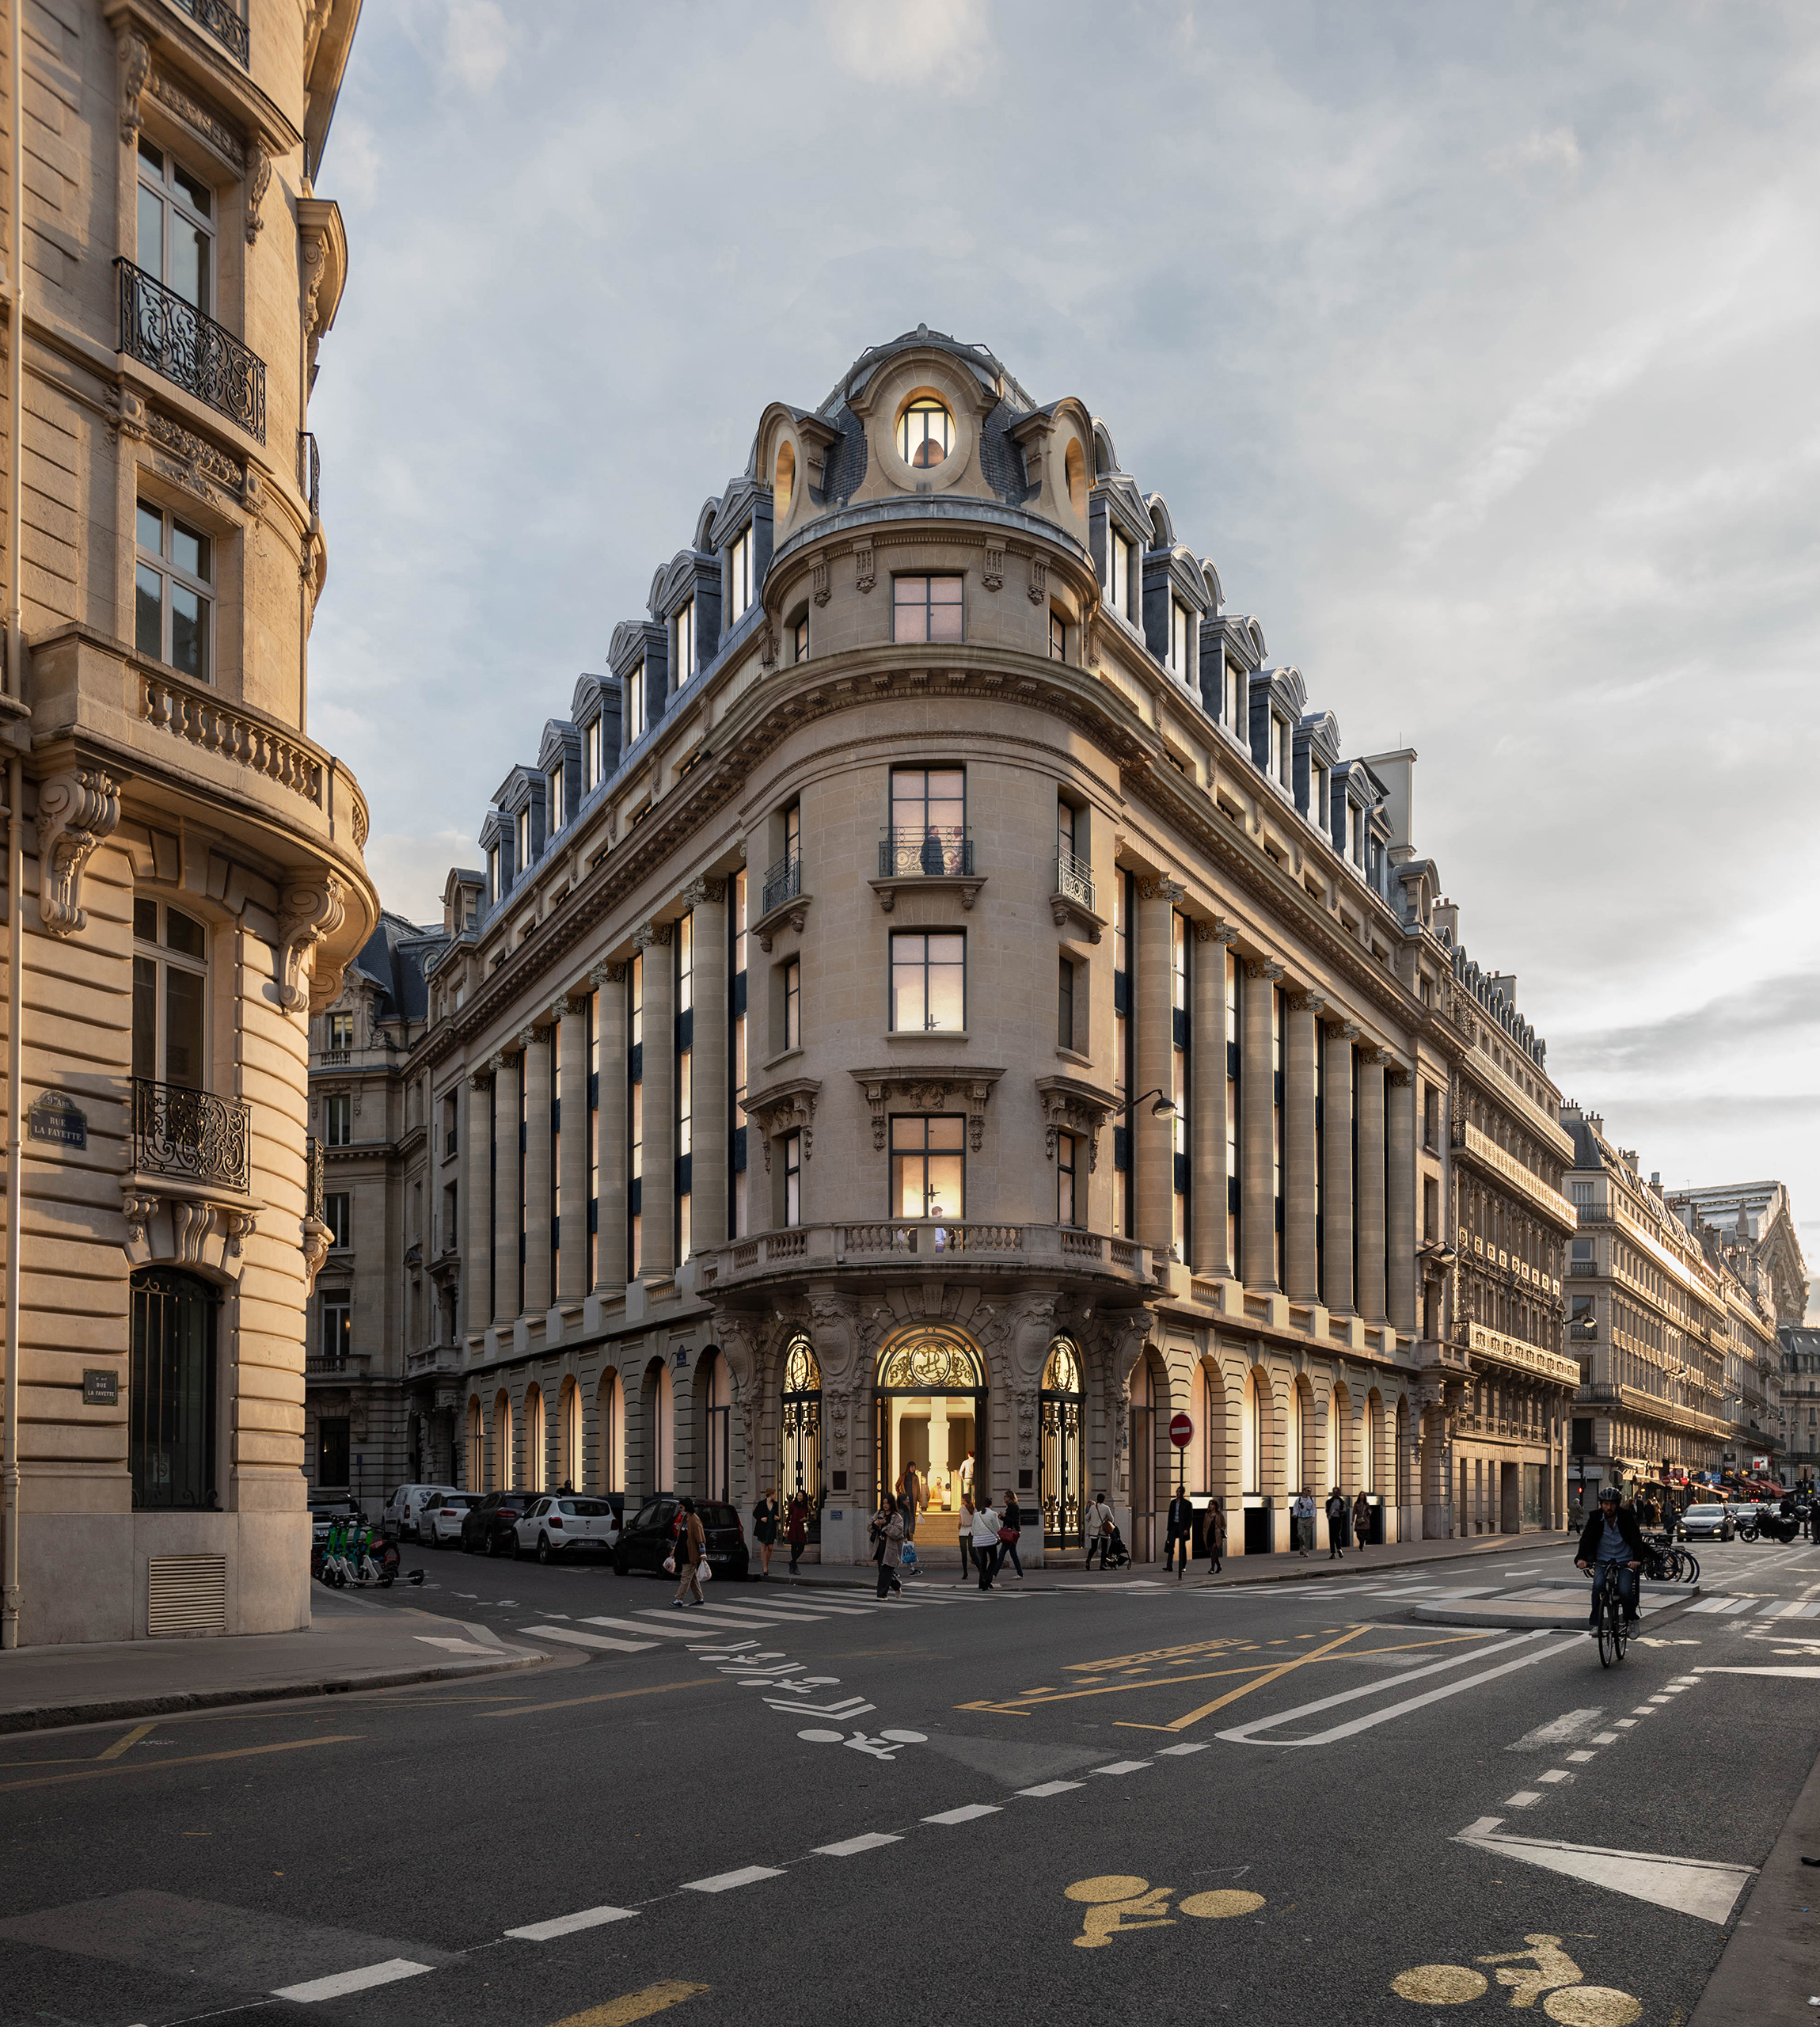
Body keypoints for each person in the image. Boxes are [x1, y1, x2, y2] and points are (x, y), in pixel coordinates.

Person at [1575, 1485, 1643, 1633]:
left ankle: (1631, 1619)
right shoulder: (1595, 1517)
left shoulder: (1626, 1517)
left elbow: (1636, 1538)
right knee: (1598, 1586)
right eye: (1606, 1504)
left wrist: (1636, 1559)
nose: (1609, 1507)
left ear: (1617, 1505)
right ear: (1601, 1505)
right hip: (1603, 1559)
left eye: (1612, 1504)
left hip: (1624, 1559)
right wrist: (1581, 1558)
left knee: (1625, 1590)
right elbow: (1586, 1539)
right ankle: (1597, 1623)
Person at [671, 1497, 707, 1609]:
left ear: (687, 1507)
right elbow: (680, 1538)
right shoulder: (685, 1519)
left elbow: (700, 1538)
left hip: (691, 1554)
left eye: (681, 1507)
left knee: (685, 1577)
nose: (680, 1510)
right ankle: (699, 1598)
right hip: (683, 1553)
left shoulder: (694, 1520)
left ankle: (679, 1599)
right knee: (692, 1578)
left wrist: (702, 1553)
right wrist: (675, 1549)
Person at [871, 1500, 905, 1599]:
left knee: (885, 1571)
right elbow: (869, 1527)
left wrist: (886, 1526)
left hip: (891, 1547)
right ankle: (896, 1585)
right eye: (884, 1503)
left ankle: (882, 1595)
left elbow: (897, 1533)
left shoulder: (897, 1517)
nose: (885, 1505)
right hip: (880, 1546)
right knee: (883, 1571)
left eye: (887, 1503)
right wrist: (876, 1523)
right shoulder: (879, 1514)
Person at [971, 1494, 1001, 1590]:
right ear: (990, 1505)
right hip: (990, 1540)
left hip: (979, 1541)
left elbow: (973, 1528)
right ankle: (987, 1578)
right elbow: (997, 1528)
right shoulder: (993, 1514)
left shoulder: (976, 1515)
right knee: (994, 1560)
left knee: (983, 1563)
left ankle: (982, 1583)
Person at [1165, 1485, 1195, 1579]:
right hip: (1174, 1525)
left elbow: (1190, 1518)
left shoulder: (1187, 1504)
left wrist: (1186, 1528)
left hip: (1182, 1527)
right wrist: (1169, 1529)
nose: (1177, 1493)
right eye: (1177, 1492)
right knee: (1171, 1545)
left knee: (1182, 1546)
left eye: (1179, 1492)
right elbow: (1170, 1516)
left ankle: (1183, 1566)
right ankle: (1169, 1566)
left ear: (1183, 1493)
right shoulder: (1173, 1503)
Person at [1084, 1491, 1115, 1570]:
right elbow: (1112, 1519)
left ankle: (1088, 1560)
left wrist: (1092, 1521)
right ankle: (1102, 1564)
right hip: (1103, 1530)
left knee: (1093, 1547)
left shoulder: (1093, 1507)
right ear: (1104, 1500)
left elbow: (1086, 1517)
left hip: (1094, 1530)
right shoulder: (1106, 1508)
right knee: (1104, 1548)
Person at [752, 1488, 780, 1577]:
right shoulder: (762, 1503)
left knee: (770, 1548)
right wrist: (761, 1518)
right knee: (764, 1547)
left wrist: (777, 1518)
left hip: (771, 1528)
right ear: (771, 1495)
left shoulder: (775, 1504)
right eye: (775, 1494)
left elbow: (778, 1515)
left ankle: (766, 1565)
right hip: (763, 1528)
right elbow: (755, 1513)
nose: (776, 1496)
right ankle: (765, 1567)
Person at [997, 1490, 1024, 1579]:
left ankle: (994, 1573)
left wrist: (1004, 1516)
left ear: (1010, 1498)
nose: (1004, 1498)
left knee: (1002, 1554)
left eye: (1005, 1497)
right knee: (1013, 1554)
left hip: (1011, 1534)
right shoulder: (1011, 1507)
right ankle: (1020, 1573)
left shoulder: (1013, 1507)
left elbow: (1013, 1521)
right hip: (1011, 1533)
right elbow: (1009, 1521)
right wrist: (1002, 1517)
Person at [785, 1489, 807, 1576]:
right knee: (794, 1547)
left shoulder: (806, 1507)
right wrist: (786, 1528)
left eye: (801, 1496)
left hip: (800, 1528)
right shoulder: (792, 1505)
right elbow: (788, 1517)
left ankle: (792, 1562)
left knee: (801, 1547)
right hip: (793, 1528)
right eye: (798, 1495)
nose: (799, 1497)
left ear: (804, 1497)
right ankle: (795, 1566)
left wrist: (805, 1519)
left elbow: (806, 1517)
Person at [1324, 1486, 1348, 1560]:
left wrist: (1339, 1511)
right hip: (1331, 1519)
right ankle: (1333, 1553)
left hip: (1338, 1519)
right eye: (1334, 1492)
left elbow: (1344, 1511)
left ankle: (1339, 1549)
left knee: (1337, 1535)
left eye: (1337, 1492)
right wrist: (1328, 1513)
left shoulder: (1341, 1502)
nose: (1335, 1494)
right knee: (1331, 1536)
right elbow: (1327, 1510)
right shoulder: (1329, 1502)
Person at [957, 1495, 976, 1583]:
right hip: (971, 1531)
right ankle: (981, 1569)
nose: (961, 1500)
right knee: (973, 1552)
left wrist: (958, 1526)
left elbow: (961, 1521)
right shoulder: (974, 1509)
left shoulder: (962, 1509)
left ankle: (965, 1573)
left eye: (962, 1498)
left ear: (964, 1499)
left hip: (963, 1532)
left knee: (963, 1553)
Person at [1205, 1496, 1225, 1575]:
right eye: (1210, 1504)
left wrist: (1221, 1530)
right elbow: (1205, 1525)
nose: (1211, 1506)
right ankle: (1219, 1566)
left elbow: (1224, 1524)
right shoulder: (1207, 1514)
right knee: (1213, 1552)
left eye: (1212, 1505)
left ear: (1215, 1506)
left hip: (1217, 1535)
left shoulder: (1219, 1514)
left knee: (1214, 1549)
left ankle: (1212, 1568)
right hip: (1209, 1534)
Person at [1292, 1489, 1315, 1557]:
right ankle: (1302, 1545)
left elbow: (1314, 1509)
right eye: (1308, 1491)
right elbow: (1295, 1508)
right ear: (1304, 1491)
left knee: (1307, 1535)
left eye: (1310, 1491)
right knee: (1300, 1534)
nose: (1310, 1492)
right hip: (1301, 1518)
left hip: (1308, 1518)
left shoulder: (1311, 1500)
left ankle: (1306, 1551)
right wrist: (1295, 1514)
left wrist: (1313, 1517)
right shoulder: (1299, 1500)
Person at [1352, 1489, 1371, 1553]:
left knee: (1363, 1535)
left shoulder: (1366, 1504)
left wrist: (1369, 1512)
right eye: (1361, 1495)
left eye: (1363, 1495)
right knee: (1358, 1534)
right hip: (1359, 1521)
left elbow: (1370, 1510)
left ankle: (1361, 1546)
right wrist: (1352, 1520)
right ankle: (1361, 1542)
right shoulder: (1356, 1504)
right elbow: (1354, 1512)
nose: (1362, 1496)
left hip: (1365, 1521)